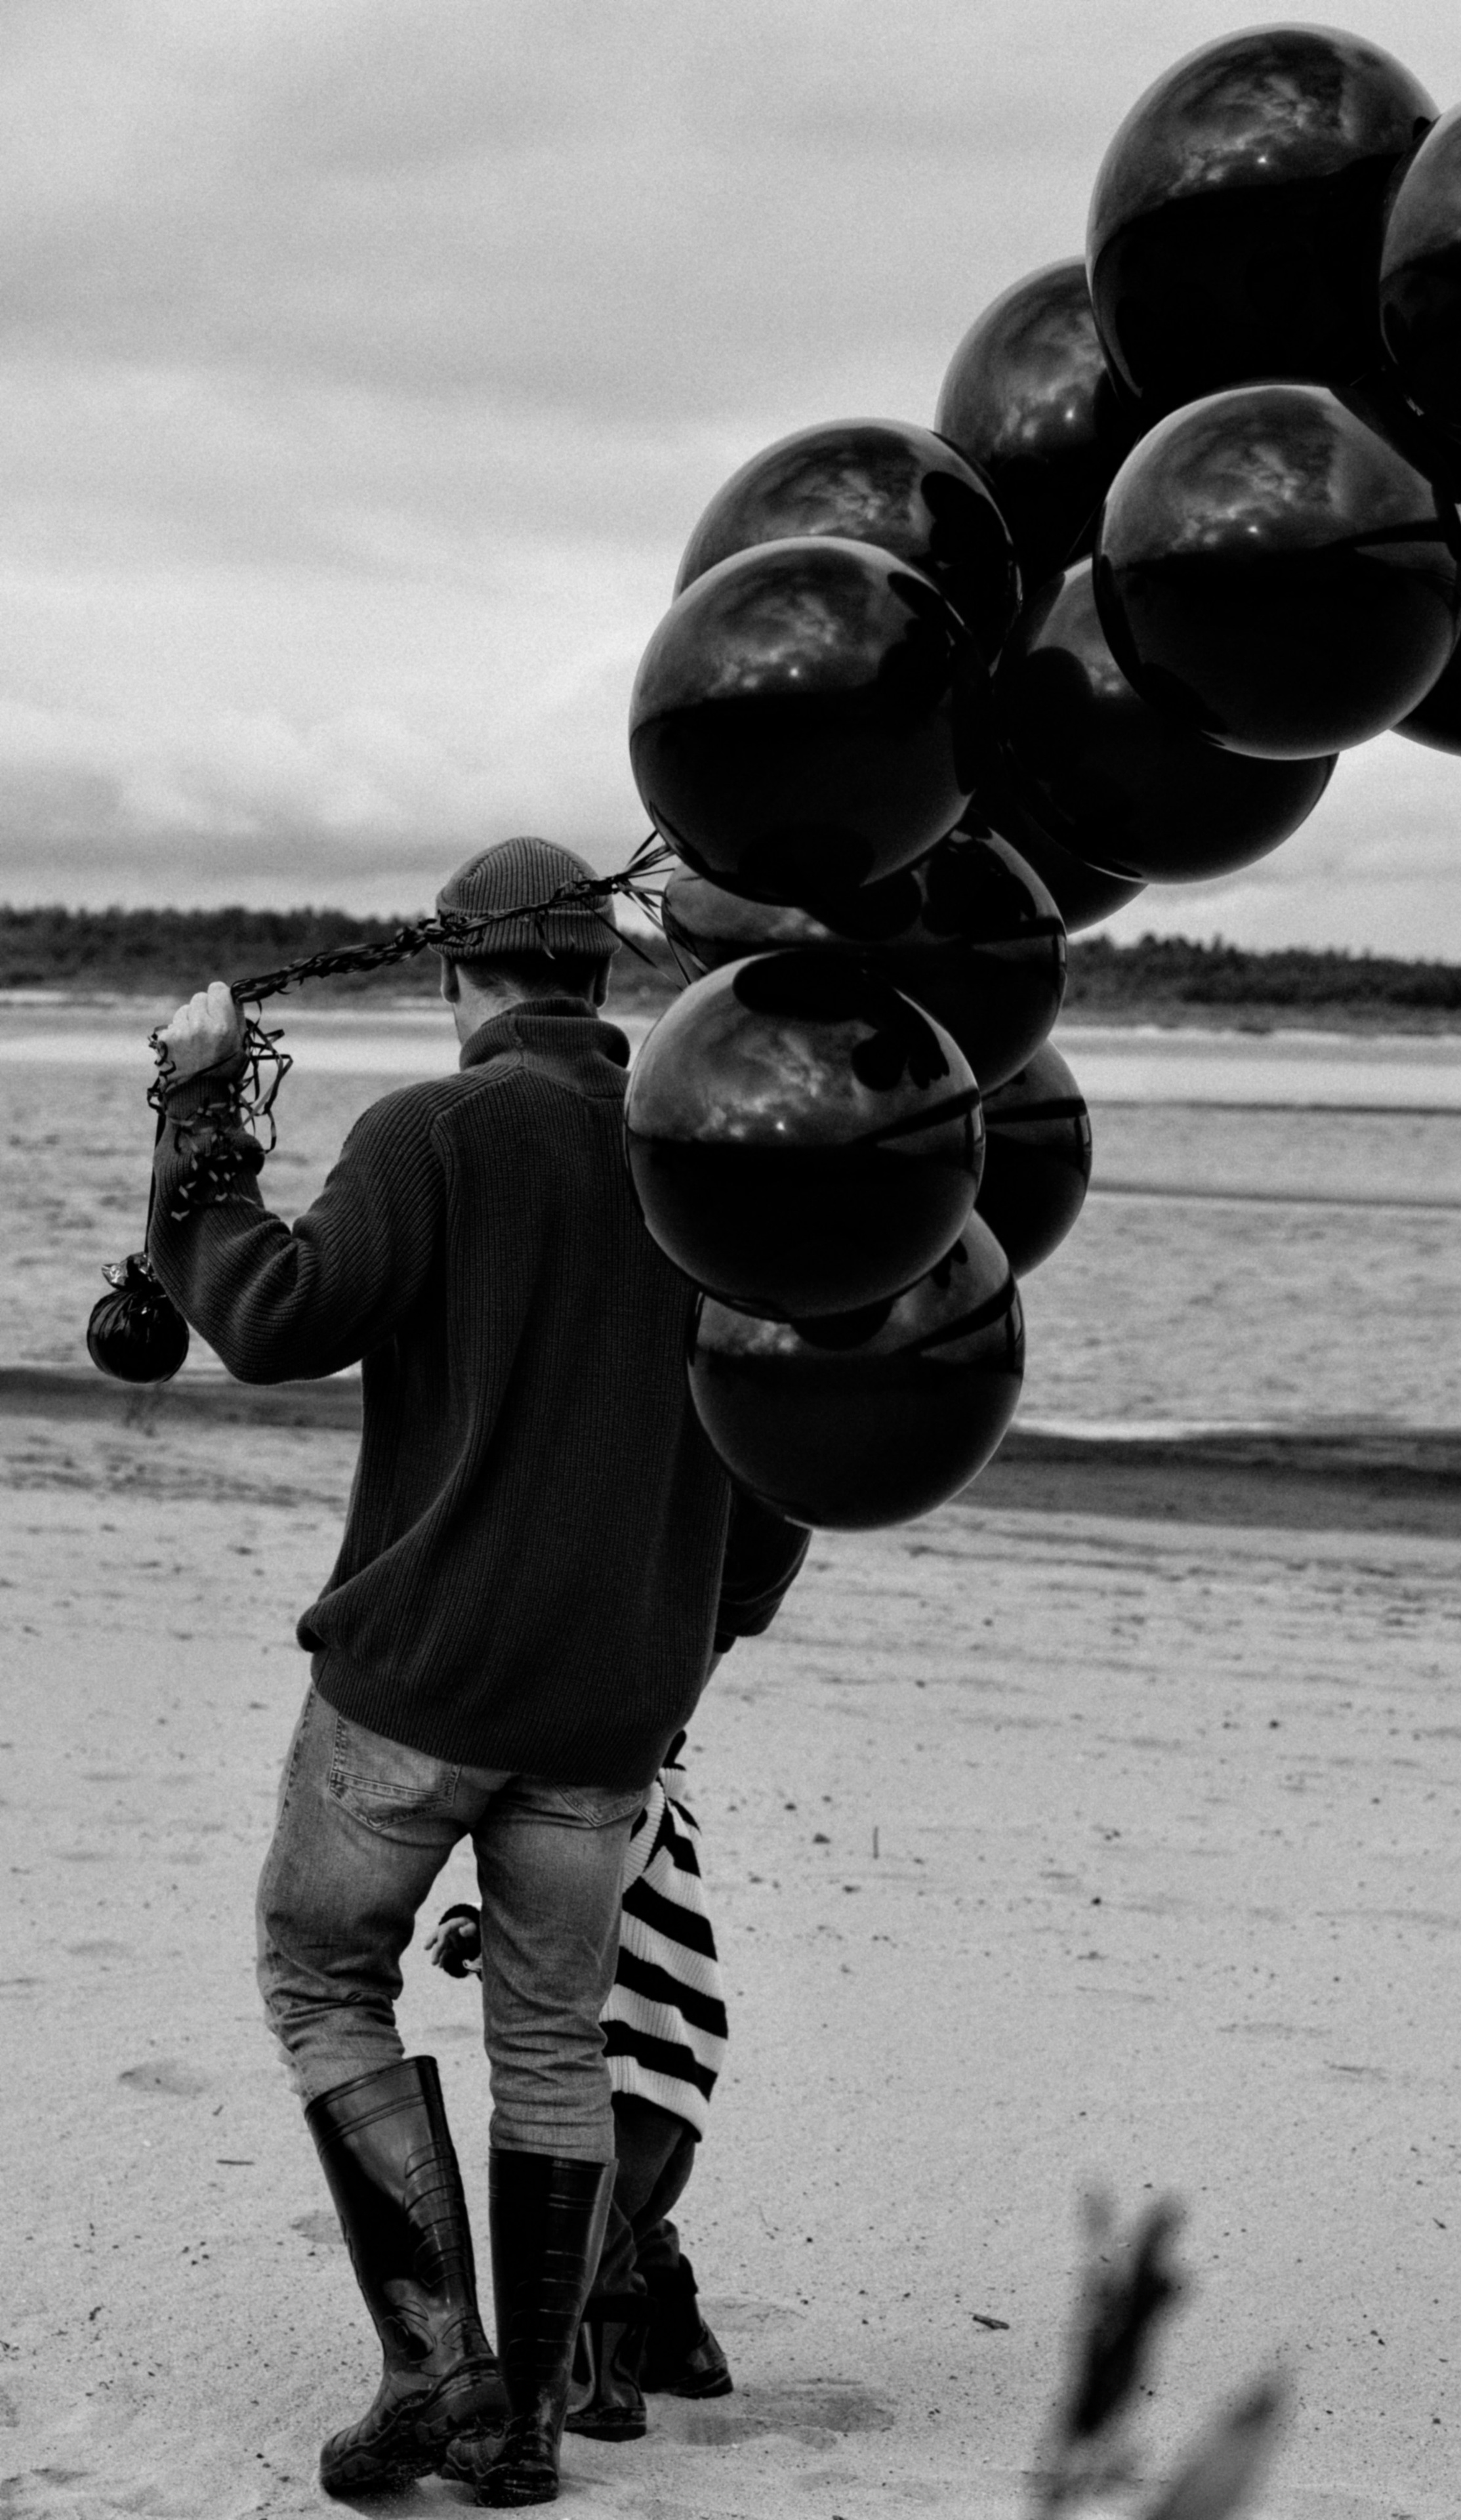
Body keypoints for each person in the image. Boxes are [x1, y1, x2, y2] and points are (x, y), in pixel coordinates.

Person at [145, 837, 804, 2509]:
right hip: (609, 1708)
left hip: (421, 1682)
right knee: (553, 2039)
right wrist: (695, 1636)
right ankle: (520, 2429)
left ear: (457, 972)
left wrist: (200, 1115)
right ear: (601, 972)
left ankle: (437, 2364)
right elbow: (778, 1455)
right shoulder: (703, 1156)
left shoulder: (435, 1128)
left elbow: (272, 1318)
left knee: (319, 1972)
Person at [428, 1728, 736, 2443]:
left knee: (583, 2221)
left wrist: (480, 1928)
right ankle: (682, 2349)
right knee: (631, 2221)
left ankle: (601, 2389)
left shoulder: (628, 1809)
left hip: (629, 2072)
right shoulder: (671, 1820)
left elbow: (559, 1910)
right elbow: (597, 1913)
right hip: (673, 2078)